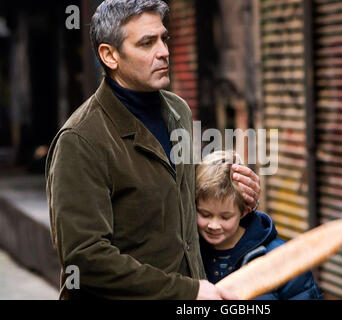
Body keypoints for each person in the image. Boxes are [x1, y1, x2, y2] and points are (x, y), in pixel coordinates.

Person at [45, 0, 260, 300]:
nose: (164, 51)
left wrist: (238, 197)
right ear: (110, 55)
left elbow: (186, 208)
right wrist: (186, 291)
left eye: (163, 38)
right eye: (147, 43)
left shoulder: (178, 112)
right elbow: (86, 259)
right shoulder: (80, 140)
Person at [196, 151, 323, 300]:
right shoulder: (187, 254)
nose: (214, 225)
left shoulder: (280, 258)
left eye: (225, 217)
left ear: (244, 211)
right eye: (205, 214)